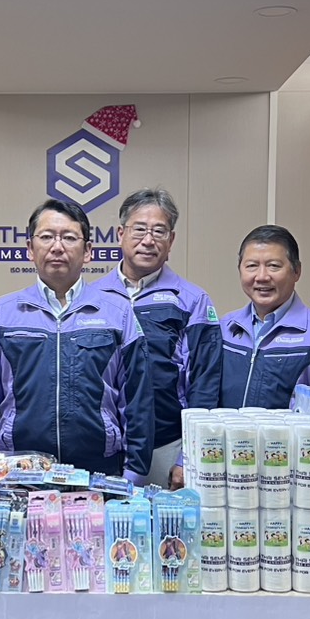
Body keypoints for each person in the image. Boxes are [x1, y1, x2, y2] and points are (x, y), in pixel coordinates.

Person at [0, 198, 154, 483]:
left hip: (99, 473)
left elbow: (138, 400)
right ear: (30, 248)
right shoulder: (0, 314)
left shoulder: (118, 313)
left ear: (88, 251)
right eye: (46, 237)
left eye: (69, 237)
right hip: (18, 474)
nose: (57, 246)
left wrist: (134, 473)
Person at [92, 187, 222, 487]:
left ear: (171, 240)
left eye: (159, 231)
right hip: (101, 448)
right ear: (120, 234)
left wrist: (187, 457)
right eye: (139, 229)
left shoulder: (191, 300)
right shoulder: (93, 298)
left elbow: (205, 386)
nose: (148, 240)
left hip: (166, 447)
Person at [219, 224, 310, 408]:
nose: (262, 276)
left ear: (297, 271)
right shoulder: (225, 328)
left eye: (273, 266)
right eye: (252, 266)